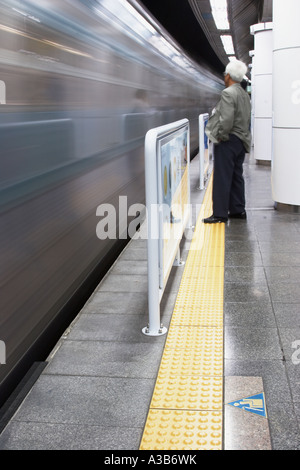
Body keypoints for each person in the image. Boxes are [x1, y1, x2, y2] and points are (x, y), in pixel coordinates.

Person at [203, 60, 251, 224]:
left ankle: (219, 214)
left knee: (222, 176)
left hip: (229, 140)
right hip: (241, 140)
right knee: (237, 175)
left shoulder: (228, 93)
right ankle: (238, 210)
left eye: (225, 74)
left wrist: (222, 135)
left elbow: (227, 119)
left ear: (229, 76)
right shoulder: (244, 94)